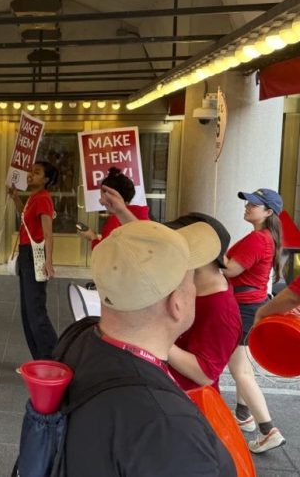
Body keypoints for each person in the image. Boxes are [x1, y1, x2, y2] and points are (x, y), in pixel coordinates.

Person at [54, 221, 235, 476]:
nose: (196, 288)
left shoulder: (79, 338)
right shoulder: (169, 430)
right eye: (192, 279)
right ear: (176, 304)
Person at [223, 188, 285, 453]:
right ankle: (243, 415)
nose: (248, 206)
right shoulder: (265, 237)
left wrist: (208, 251)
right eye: (248, 202)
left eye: (254, 204)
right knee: (243, 366)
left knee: (240, 371)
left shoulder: (259, 239)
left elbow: (231, 270)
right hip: (251, 307)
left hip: (244, 308)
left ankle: (268, 430)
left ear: (268, 212)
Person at [164, 213, 242, 391]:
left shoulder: (221, 309)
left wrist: (156, 338)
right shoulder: (188, 284)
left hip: (186, 404)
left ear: (202, 253)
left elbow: (205, 374)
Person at [8, 161, 59, 361]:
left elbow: (48, 232)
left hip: (34, 254)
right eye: (30, 171)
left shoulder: (43, 198)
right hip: (26, 252)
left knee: (35, 309)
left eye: (36, 173)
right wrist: (15, 198)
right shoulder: (34, 197)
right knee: (27, 310)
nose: (30, 175)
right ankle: (39, 359)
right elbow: (25, 219)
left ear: (46, 179)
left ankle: (52, 359)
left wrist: (49, 261)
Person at [77, 166, 149, 249]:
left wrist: (92, 237)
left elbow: (104, 253)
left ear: (110, 196)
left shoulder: (115, 221)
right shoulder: (142, 214)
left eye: (102, 195)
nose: (101, 200)